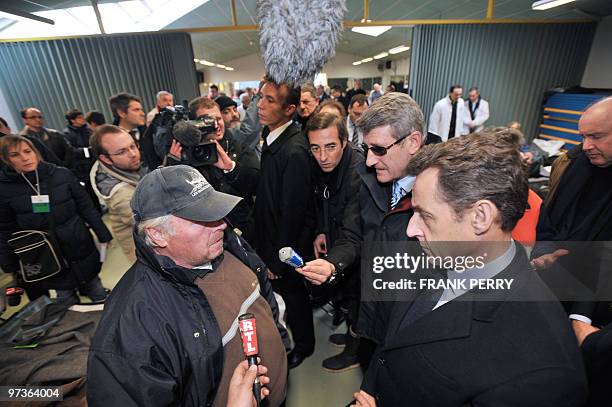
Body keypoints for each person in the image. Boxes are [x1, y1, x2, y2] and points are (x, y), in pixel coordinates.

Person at [354, 130, 588, 407]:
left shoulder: (543, 372)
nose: (410, 228)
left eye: (425, 216)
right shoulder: (435, 256)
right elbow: (390, 347)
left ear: (480, 217)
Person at [87, 165, 288, 407]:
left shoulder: (228, 244)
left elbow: (262, 296)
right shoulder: (133, 324)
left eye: (216, 211)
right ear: (158, 234)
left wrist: (280, 339)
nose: (221, 224)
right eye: (202, 218)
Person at [296, 92, 427, 373]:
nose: (368, 160)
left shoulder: (446, 193)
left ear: (413, 142)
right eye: (367, 149)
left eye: (378, 149)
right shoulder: (372, 178)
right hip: (374, 308)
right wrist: (333, 264)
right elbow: (353, 235)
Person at [533, 96, 612, 405]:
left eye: (596, 136)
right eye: (582, 136)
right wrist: (548, 250)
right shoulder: (579, 162)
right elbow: (550, 216)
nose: (586, 144)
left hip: (595, 312)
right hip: (556, 283)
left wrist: (582, 317)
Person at [0, 135, 112, 302]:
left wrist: (103, 233)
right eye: (15, 155)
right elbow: (5, 228)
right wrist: (8, 264)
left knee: (97, 291)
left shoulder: (61, 175)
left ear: (35, 151)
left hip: (78, 244)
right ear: (5, 159)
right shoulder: (5, 189)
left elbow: (86, 207)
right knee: (66, 301)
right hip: (45, 255)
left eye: (27, 151)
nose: (24, 158)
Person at [253, 75, 314, 369]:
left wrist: (278, 260)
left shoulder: (294, 151)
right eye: (260, 97)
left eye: (270, 100)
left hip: (287, 249)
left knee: (295, 293)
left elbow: (292, 212)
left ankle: (305, 345)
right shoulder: (273, 139)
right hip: (274, 241)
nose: (260, 105)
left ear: (290, 110)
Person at [301, 112, 363, 372]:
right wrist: (321, 232)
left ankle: (355, 352)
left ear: (345, 142)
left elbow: (354, 233)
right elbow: (325, 204)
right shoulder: (325, 167)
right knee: (349, 300)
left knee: (359, 303)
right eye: (315, 148)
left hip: (359, 253)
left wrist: (332, 265)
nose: (322, 157)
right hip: (339, 244)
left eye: (330, 147)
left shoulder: (357, 172)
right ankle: (351, 336)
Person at [171, 97, 260, 234]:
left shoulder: (239, 147)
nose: (215, 125)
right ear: (193, 124)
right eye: (206, 121)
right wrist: (175, 166)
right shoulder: (186, 154)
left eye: (218, 119)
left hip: (244, 228)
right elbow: (179, 201)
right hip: (205, 230)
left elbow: (257, 185)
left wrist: (231, 168)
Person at [90, 125, 147, 264]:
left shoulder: (118, 166)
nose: (133, 154)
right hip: (145, 253)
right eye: (122, 152)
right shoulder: (121, 194)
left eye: (133, 146)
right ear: (106, 159)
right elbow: (149, 224)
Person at [62, 108, 99, 211]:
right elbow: (71, 151)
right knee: (87, 193)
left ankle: (99, 210)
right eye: (79, 117)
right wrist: (88, 151)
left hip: (93, 164)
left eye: (82, 116)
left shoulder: (88, 130)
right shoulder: (66, 134)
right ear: (72, 120)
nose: (83, 119)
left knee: (96, 189)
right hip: (80, 169)